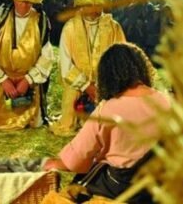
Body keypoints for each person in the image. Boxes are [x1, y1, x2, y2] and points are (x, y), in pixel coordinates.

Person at [43, 43, 171, 202]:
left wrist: (50, 164)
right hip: (158, 189)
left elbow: (75, 161)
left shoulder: (107, 110)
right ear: (140, 68)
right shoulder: (168, 103)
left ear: (107, 76)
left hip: (117, 190)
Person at [50, 0, 126, 136]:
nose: (92, 9)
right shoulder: (70, 28)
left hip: (105, 85)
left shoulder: (113, 27)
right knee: (69, 121)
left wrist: (103, 85)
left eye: (96, 5)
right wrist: (86, 86)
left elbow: (121, 60)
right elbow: (65, 65)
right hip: (76, 85)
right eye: (88, 5)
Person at [0, 0, 54, 130]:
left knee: (31, 124)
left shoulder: (41, 21)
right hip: (1, 85)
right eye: (21, 0)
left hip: (28, 88)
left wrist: (27, 80)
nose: (24, 5)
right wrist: (3, 80)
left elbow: (46, 57)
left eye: (28, 2)